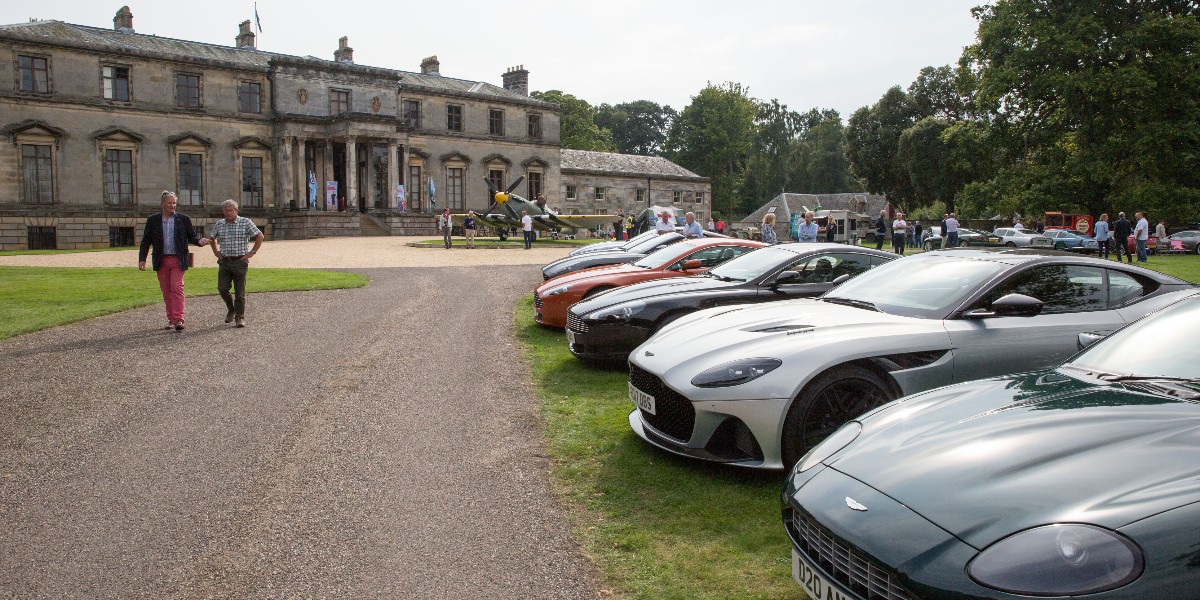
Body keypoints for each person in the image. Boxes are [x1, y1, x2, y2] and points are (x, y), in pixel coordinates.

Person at [137, 191, 209, 331]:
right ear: (162, 203)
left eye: (174, 203)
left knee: (177, 287)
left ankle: (179, 319)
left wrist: (199, 241)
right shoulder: (153, 220)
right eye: (169, 203)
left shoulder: (183, 219)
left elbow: (191, 237)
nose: (172, 205)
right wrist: (142, 259)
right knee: (166, 291)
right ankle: (171, 319)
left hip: (178, 259)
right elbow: (146, 241)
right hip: (161, 260)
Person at [208, 199, 263, 328]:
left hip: (240, 261)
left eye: (231, 210)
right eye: (226, 211)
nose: (228, 213)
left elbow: (260, 236)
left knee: (240, 292)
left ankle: (240, 317)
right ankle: (231, 309)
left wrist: (252, 252)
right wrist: (216, 251)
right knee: (222, 288)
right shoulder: (220, 224)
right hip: (225, 261)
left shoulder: (245, 222)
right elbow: (212, 238)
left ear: (236, 211)